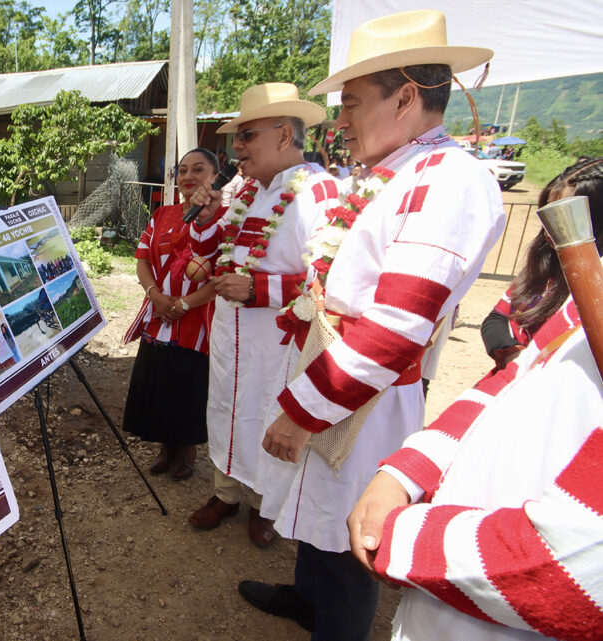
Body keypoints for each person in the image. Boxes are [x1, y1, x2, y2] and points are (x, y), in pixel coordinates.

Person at [238, 10, 507, 640]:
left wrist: (300, 412)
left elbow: (394, 328)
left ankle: (337, 625)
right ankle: (309, 598)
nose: (340, 121)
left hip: (367, 391)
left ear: (408, 96)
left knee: (347, 520)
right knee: (319, 509)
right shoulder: (397, 171)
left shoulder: (451, 180)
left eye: (352, 103)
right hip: (340, 375)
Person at [348, 297, 603, 639]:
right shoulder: (589, 282)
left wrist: (399, 538)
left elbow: (576, 570)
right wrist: (403, 474)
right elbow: (511, 378)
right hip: (445, 601)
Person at [183, 83, 337, 546]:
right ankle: (226, 494)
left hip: (278, 342)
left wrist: (259, 289)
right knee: (229, 408)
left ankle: (266, 508)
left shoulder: (319, 191)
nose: (237, 148)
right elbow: (208, 255)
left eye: (247, 135)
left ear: (284, 137)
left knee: (268, 412)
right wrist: (206, 217)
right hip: (230, 334)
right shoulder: (246, 190)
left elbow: (330, 282)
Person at [121, 148, 222, 480]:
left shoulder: (224, 219)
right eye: (182, 170)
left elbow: (222, 274)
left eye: (199, 169)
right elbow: (142, 260)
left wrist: (184, 304)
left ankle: (187, 449)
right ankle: (166, 446)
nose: (188, 177)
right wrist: (156, 296)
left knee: (188, 384)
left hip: (198, 318)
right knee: (160, 379)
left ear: (215, 176)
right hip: (159, 313)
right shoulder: (162, 214)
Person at [481, 158, 603, 369]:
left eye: (562, 219)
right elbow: (497, 318)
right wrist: (512, 354)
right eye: (547, 217)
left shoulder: (594, 288)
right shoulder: (548, 265)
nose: (548, 231)